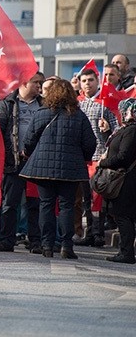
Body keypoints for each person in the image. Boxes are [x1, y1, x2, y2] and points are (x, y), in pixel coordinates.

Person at [19, 79, 96, 259]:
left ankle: (47, 245)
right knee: (67, 206)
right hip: (70, 168)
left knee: (45, 205)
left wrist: (29, 152)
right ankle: (66, 246)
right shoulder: (79, 115)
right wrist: (81, 156)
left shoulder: (41, 113)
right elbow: (90, 143)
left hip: (43, 168)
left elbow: (29, 140)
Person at [0, 72, 44, 252]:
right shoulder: (8, 104)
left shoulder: (43, 104)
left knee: (35, 204)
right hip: (13, 162)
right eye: (36, 82)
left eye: (41, 83)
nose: (40, 86)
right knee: (9, 203)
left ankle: (36, 240)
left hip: (36, 164)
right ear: (24, 83)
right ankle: (7, 240)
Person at [77, 68, 118, 247]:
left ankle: (98, 233)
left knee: (97, 198)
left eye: (90, 80)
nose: (87, 83)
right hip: (80, 157)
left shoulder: (105, 103)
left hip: (97, 156)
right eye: (84, 80)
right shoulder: (77, 104)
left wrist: (107, 129)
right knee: (85, 198)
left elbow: (117, 131)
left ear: (97, 81)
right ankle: (88, 232)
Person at [98, 98, 136, 263]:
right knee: (122, 215)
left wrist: (103, 162)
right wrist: (107, 133)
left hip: (127, 180)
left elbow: (123, 156)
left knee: (124, 216)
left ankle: (126, 253)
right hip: (125, 179)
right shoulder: (126, 129)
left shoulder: (132, 130)